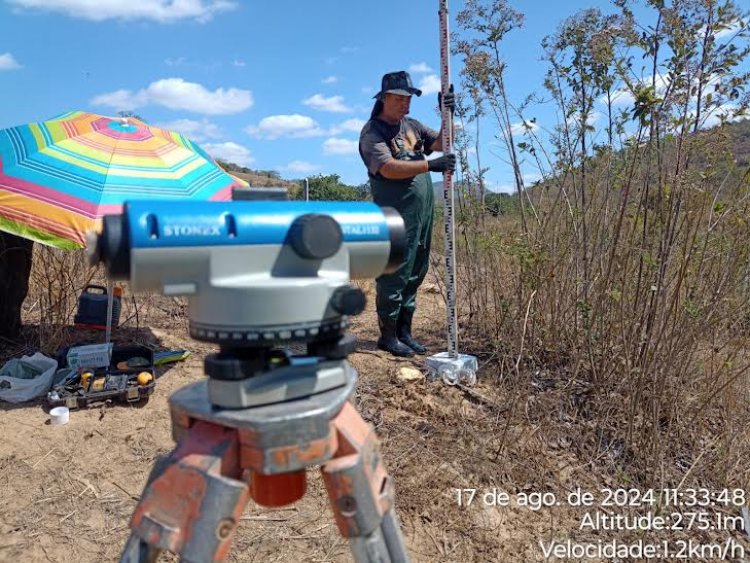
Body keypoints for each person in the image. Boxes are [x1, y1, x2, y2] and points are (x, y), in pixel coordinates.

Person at [358, 70, 456, 357]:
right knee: (395, 272)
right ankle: (387, 336)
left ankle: (404, 332)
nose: (406, 104)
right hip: (394, 216)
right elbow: (387, 167)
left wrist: (446, 112)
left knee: (416, 270)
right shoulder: (372, 133)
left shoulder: (411, 126)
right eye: (401, 98)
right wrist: (430, 166)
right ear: (385, 98)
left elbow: (440, 144)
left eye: (409, 98)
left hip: (421, 215)